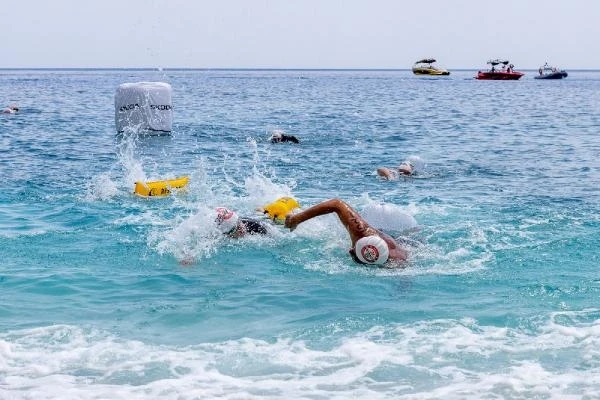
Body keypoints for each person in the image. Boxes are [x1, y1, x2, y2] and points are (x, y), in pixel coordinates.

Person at [284, 198, 408, 266]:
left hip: (395, 236)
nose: (350, 250)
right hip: (382, 229)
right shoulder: (362, 232)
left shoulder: (397, 262)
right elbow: (336, 204)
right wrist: (297, 219)